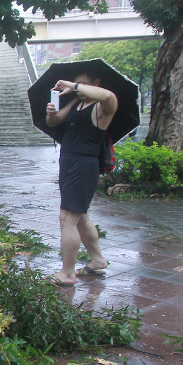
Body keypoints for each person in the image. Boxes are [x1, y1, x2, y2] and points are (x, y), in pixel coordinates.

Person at [45, 72, 117, 286]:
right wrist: (51, 113)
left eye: (83, 83)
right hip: (68, 162)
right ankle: (97, 260)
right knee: (81, 216)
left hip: (84, 165)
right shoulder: (78, 103)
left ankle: (67, 273)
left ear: (96, 83)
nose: (77, 87)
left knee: (67, 218)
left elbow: (110, 97)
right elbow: (55, 121)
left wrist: (73, 86)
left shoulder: (102, 107)